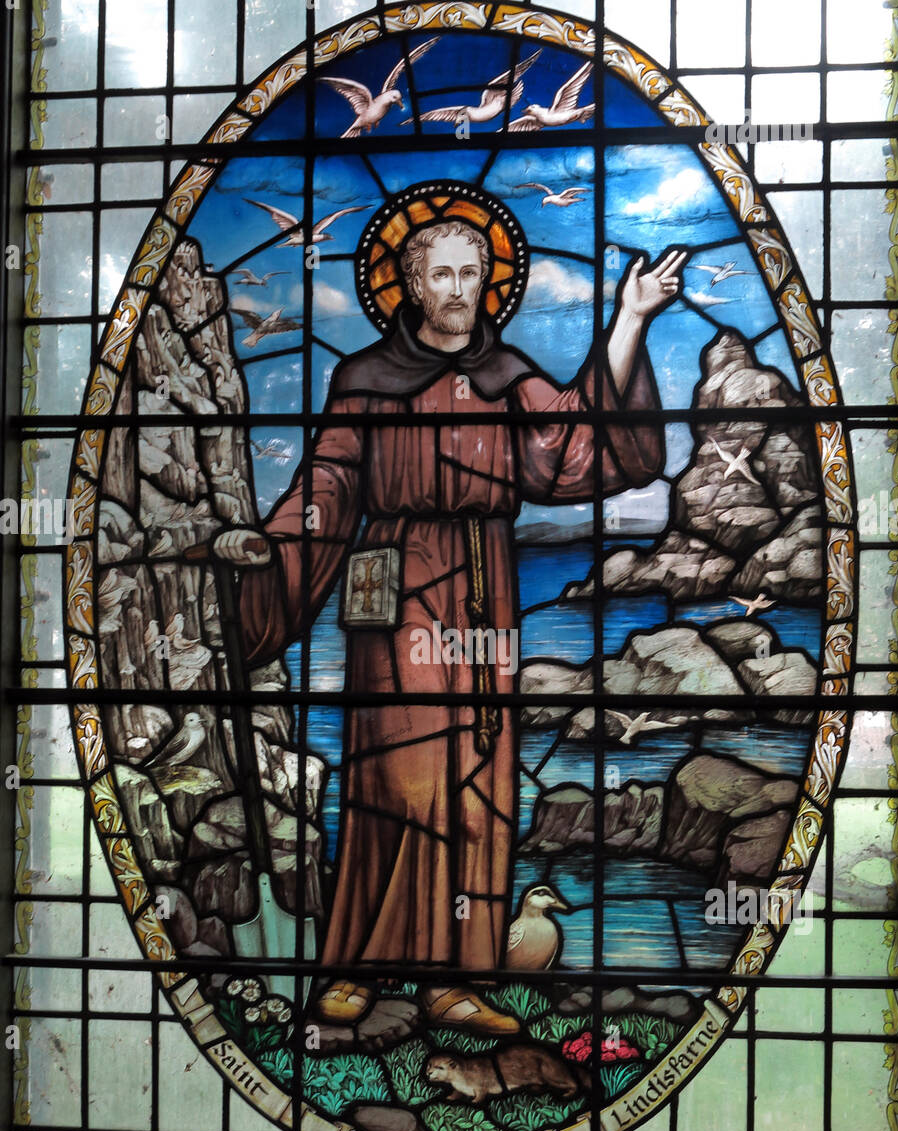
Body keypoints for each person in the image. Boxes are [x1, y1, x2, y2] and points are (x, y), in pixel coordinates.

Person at [216, 208, 685, 1035]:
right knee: (398, 777)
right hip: (394, 592)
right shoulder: (363, 379)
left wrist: (631, 320)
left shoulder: (506, 374)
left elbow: (580, 438)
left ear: (489, 282)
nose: (461, 290)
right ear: (410, 283)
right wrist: (272, 552)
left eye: (474, 274)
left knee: (480, 782)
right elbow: (326, 485)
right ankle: (359, 969)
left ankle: (456, 981)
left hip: (485, 582)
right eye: (443, 274)